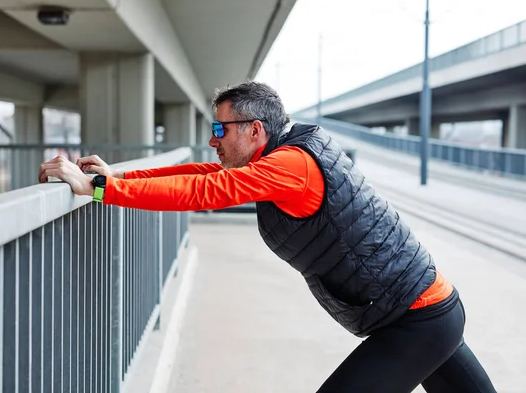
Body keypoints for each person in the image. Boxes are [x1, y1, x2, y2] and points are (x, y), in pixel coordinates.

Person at [39, 81, 496, 392]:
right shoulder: (277, 159)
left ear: (255, 130)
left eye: (220, 129)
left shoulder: (292, 165)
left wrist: (100, 190)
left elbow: (206, 189)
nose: (214, 140)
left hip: (419, 320)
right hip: (423, 311)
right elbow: (201, 171)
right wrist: (116, 175)